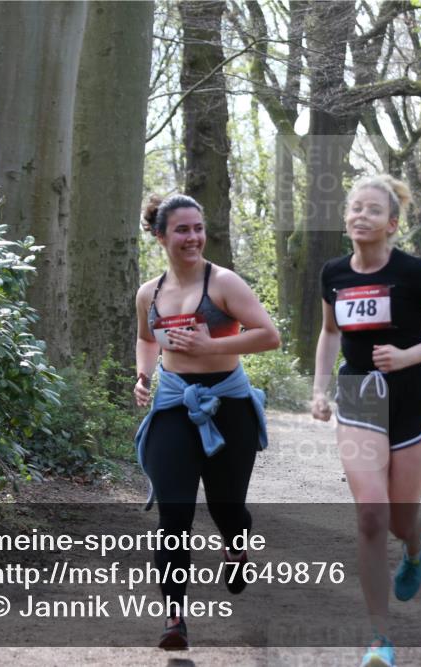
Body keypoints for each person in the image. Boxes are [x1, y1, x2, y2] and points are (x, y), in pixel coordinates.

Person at [311, 175, 421, 667]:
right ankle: (379, 638)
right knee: (370, 514)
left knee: (401, 517)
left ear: (391, 223)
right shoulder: (333, 274)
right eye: (354, 208)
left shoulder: (413, 272)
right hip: (360, 392)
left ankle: (414, 545)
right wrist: (320, 389)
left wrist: (408, 356)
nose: (361, 215)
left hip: (413, 395)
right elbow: (328, 333)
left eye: (373, 210)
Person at [133, 193, 280, 650]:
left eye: (198, 228)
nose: (193, 237)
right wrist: (143, 375)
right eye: (182, 229)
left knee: (226, 507)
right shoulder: (149, 293)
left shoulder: (224, 283)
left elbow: (269, 336)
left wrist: (210, 347)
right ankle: (174, 619)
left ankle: (235, 545)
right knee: (173, 513)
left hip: (228, 407)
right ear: (160, 236)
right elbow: (146, 338)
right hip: (174, 407)